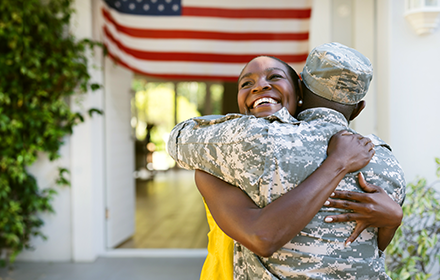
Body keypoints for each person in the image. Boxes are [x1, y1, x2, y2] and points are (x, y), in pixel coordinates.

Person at [168, 43, 406, 279]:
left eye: (274, 77)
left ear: (300, 90)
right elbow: (261, 236)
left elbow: (355, 244)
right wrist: (338, 163)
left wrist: (391, 221)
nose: (260, 86)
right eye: (246, 83)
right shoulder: (385, 161)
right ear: (359, 109)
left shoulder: (253, 143)